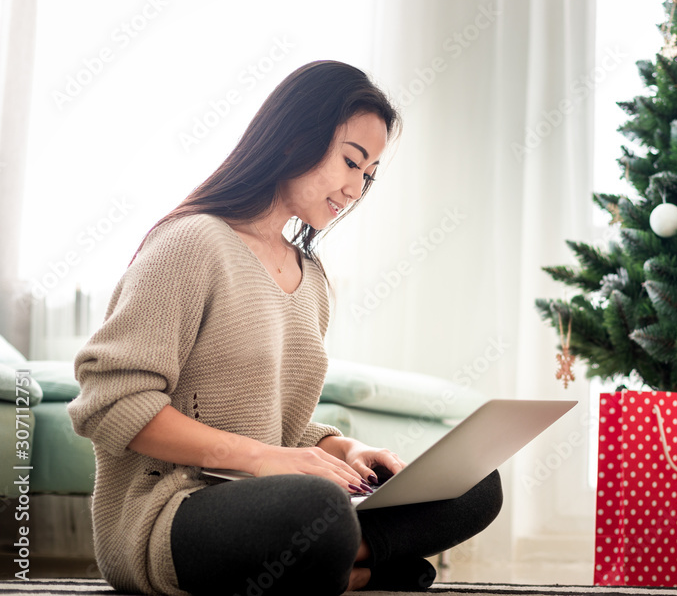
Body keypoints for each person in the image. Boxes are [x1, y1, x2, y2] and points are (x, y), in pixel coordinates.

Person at [67, 60, 503, 596]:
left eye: (368, 175)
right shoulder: (191, 243)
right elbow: (110, 402)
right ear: (297, 137)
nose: (356, 187)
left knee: (474, 483)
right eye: (351, 161)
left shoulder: (311, 277)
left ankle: (337, 562)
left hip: (275, 504)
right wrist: (263, 459)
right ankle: (358, 567)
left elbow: (272, 422)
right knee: (314, 510)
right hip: (170, 514)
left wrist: (345, 450)